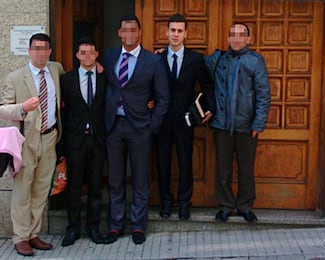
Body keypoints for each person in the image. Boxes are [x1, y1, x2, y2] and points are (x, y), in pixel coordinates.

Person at [103, 14, 169, 245]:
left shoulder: (153, 61)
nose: (129, 33)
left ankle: (138, 225)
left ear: (139, 32)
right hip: (114, 126)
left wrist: (153, 125)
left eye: (133, 29)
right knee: (115, 179)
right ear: (119, 33)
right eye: (125, 30)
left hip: (141, 127)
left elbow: (163, 97)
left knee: (140, 179)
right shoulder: (109, 56)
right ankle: (115, 225)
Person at [0, 33, 65, 256]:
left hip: (49, 138)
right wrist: (22, 108)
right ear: (29, 50)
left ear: (50, 51)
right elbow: (2, 109)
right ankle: (20, 237)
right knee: (22, 190)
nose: (40, 52)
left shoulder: (56, 69)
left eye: (45, 48)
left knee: (40, 190)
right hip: (26, 141)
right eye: (36, 48)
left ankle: (33, 234)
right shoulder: (16, 77)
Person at [205, 23, 271, 223]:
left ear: (248, 39)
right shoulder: (217, 59)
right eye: (232, 34)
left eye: (241, 35)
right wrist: (164, 53)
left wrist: (258, 124)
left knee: (245, 169)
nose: (236, 38)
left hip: (247, 127)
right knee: (223, 170)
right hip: (222, 125)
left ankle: (245, 206)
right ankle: (225, 206)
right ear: (227, 38)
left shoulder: (255, 61)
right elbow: (193, 62)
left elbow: (263, 95)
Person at [155, 14, 213, 220]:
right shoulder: (157, 58)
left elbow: (207, 86)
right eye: (172, 30)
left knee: (185, 163)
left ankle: (183, 204)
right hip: (161, 120)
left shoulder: (196, 60)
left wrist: (208, 108)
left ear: (186, 34)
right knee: (162, 164)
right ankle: (165, 203)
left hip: (185, 120)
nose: (176, 34)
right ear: (167, 32)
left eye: (180, 31)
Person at [59, 37, 106, 246]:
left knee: (96, 186)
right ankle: (73, 228)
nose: (88, 56)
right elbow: (62, 109)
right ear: (77, 55)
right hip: (75, 140)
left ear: (96, 55)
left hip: (97, 139)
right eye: (83, 52)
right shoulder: (66, 80)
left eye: (91, 52)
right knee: (75, 186)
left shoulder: (105, 77)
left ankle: (93, 227)